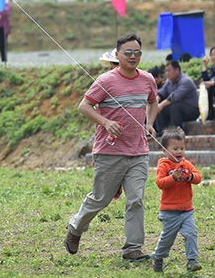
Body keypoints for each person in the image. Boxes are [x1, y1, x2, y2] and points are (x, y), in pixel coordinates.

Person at [64, 33, 158, 262]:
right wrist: (105, 122)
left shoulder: (147, 79)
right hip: (109, 152)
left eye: (137, 52)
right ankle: (76, 228)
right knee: (101, 199)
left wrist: (150, 124)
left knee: (136, 199)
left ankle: (132, 249)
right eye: (128, 52)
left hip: (138, 152)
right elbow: (84, 106)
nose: (133, 56)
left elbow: (153, 101)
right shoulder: (105, 81)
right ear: (117, 55)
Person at [152, 127, 202, 273]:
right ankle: (158, 257)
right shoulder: (164, 165)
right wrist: (173, 178)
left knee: (191, 234)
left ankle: (192, 260)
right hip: (169, 212)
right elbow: (160, 183)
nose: (179, 152)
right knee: (167, 240)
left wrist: (190, 177)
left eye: (182, 148)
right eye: (175, 148)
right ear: (164, 150)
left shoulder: (186, 164)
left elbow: (198, 177)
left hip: (187, 210)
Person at [155, 60, 199, 135]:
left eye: (169, 71)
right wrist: (156, 103)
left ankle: (176, 132)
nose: (167, 73)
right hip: (177, 109)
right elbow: (161, 92)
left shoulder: (185, 81)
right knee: (162, 108)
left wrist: (161, 105)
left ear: (177, 70)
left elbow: (174, 97)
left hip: (191, 110)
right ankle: (162, 132)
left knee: (174, 107)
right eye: (166, 71)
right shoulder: (169, 81)